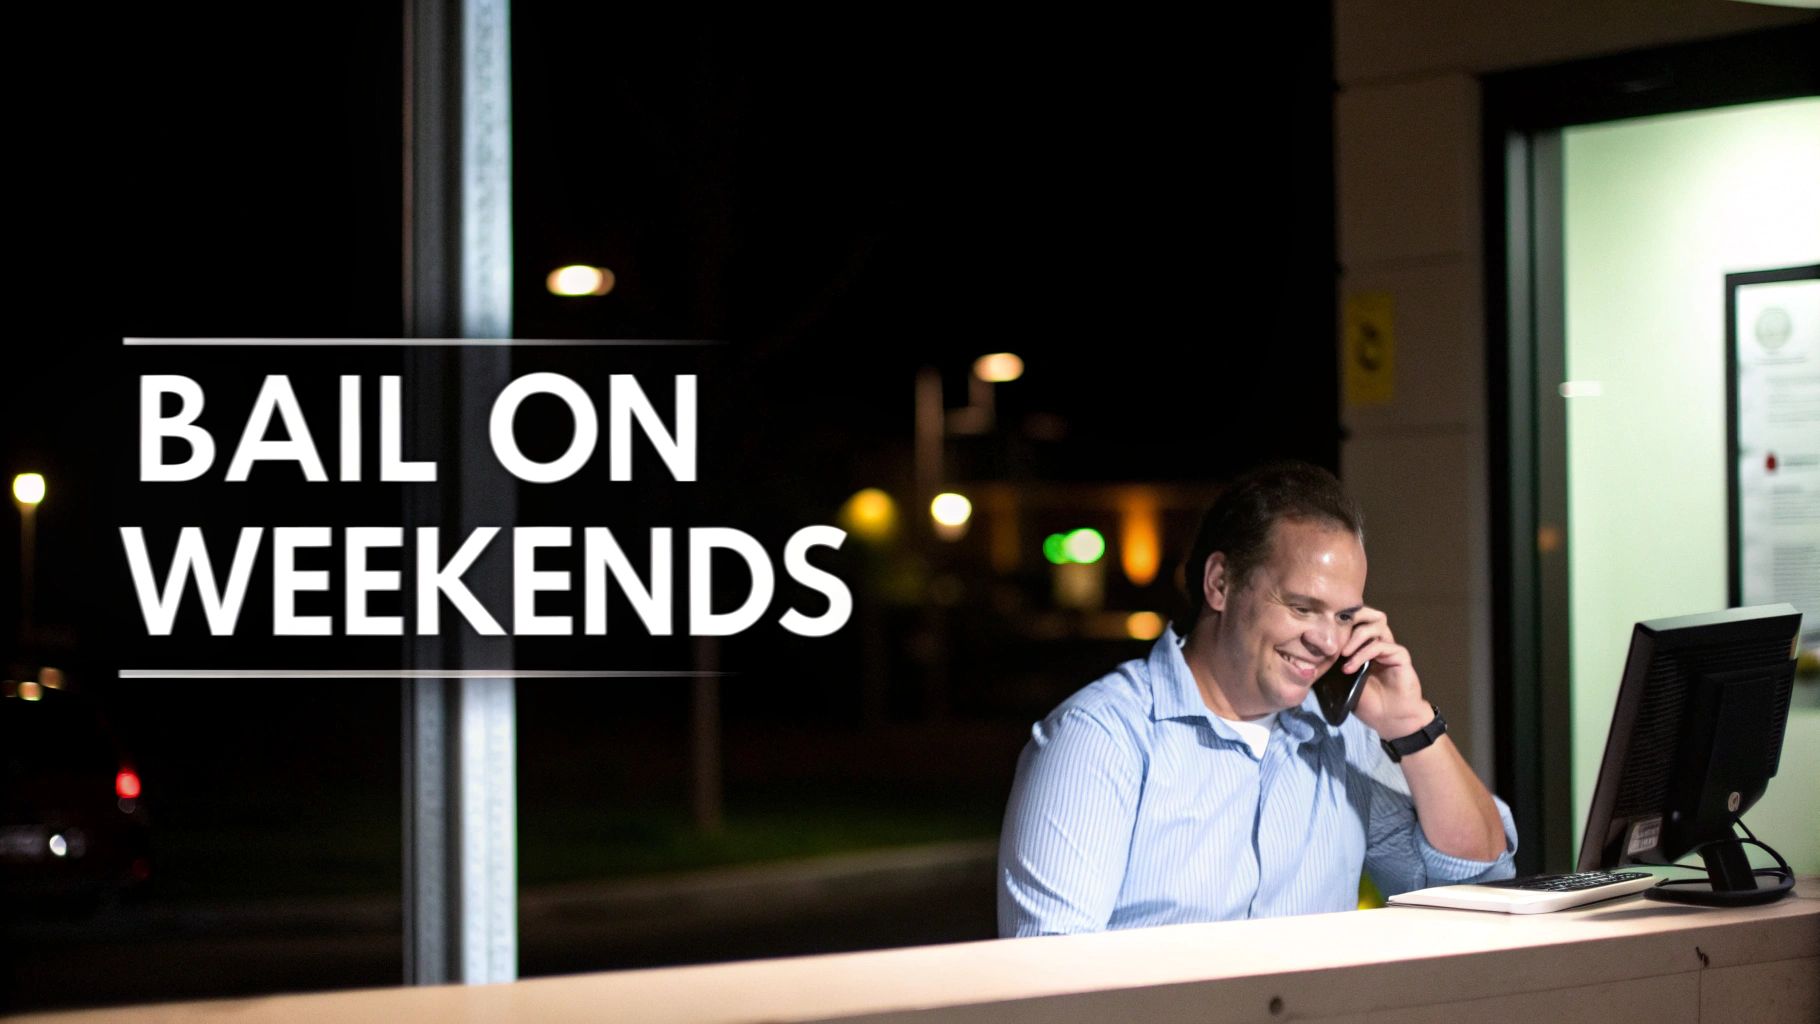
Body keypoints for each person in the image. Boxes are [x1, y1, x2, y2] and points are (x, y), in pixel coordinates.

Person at [998, 462, 1516, 936]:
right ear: (1220, 583)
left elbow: (1477, 880)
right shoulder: (1100, 736)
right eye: (1301, 606)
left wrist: (1412, 725)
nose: (1328, 642)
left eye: (1343, 616)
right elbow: (1051, 977)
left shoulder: (1341, 735)